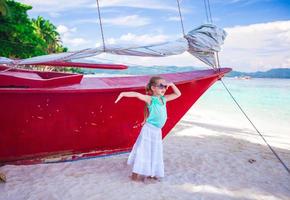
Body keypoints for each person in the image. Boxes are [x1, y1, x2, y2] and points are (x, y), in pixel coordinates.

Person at [115, 76, 181, 182]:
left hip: (157, 131)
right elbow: (137, 95)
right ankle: (135, 175)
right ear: (153, 88)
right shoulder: (151, 99)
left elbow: (178, 94)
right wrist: (122, 94)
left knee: (155, 151)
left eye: (165, 86)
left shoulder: (164, 99)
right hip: (148, 130)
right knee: (143, 151)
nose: (164, 88)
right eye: (161, 86)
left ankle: (152, 172)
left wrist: (172, 85)